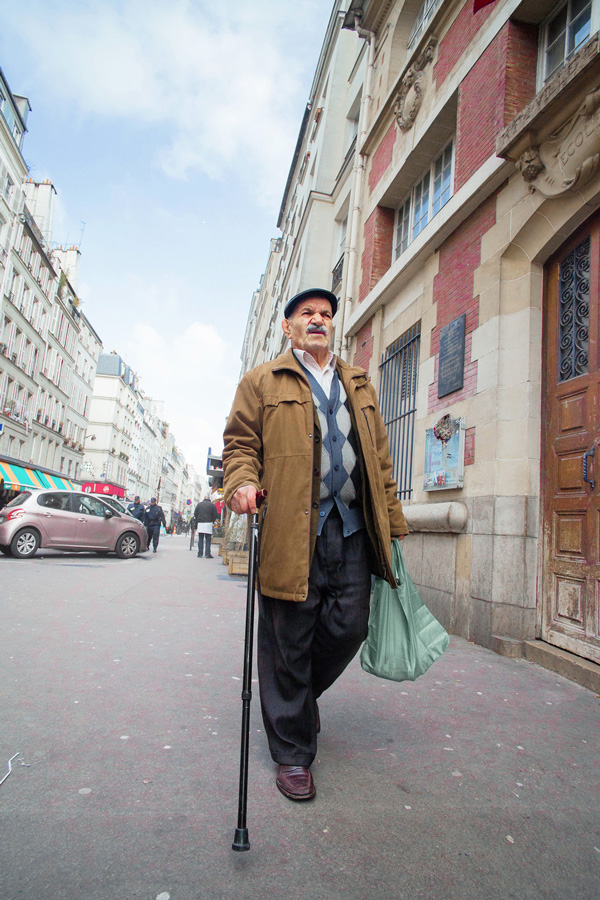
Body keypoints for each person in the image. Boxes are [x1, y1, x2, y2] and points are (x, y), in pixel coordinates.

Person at [223, 287, 409, 803]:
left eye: (326, 314)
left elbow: (380, 458)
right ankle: (293, 754)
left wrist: (391, 521)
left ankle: (296, 702)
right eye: (307, 314)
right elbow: (240, 444)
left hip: (351, 527)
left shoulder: (359, 382)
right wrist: (240, 481)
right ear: (288, 326)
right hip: (290, 527)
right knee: (290, 636)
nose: (319, 320)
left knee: (350, 624)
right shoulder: (263, 380)